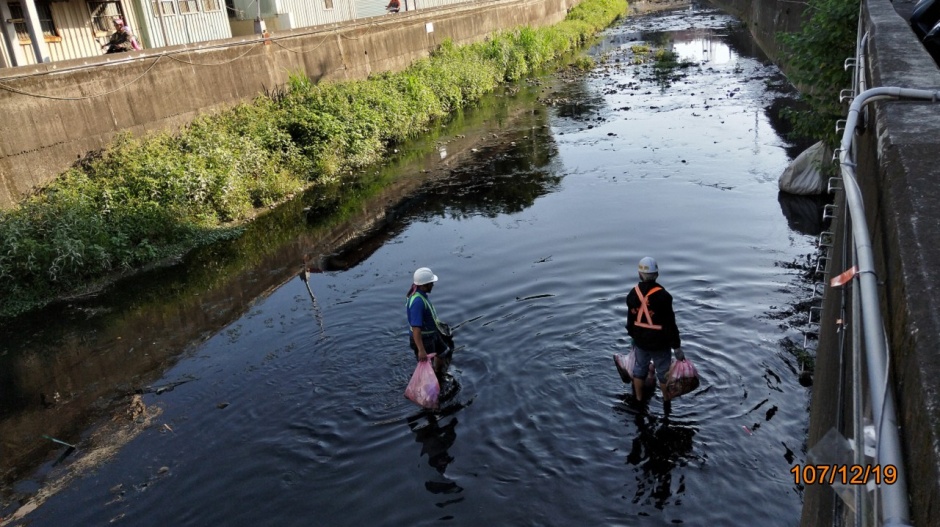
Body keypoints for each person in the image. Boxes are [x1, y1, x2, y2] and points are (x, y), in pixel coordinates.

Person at [625, 256, 683, 403]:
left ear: (639, 274)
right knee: (663, 373)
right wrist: (676, 347)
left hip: (640, 342)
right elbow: (670, 325)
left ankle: (638, 399)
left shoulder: (632, 294)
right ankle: (666, 400)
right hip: (660, 343)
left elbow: (630, 321)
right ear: (657, 274)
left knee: (639, 371)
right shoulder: (664, 296)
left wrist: (633, 337)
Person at [407, 267, 453, 383]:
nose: (433, 285)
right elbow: (416, 328)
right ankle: (429, 387)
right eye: (431, 283)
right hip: (424, 339)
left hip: (432, 334)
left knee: (443, 353)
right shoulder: (417, 302)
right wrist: (421, 350)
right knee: (427, 366)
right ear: (423, 285)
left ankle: (439, 375)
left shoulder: (420, 294)